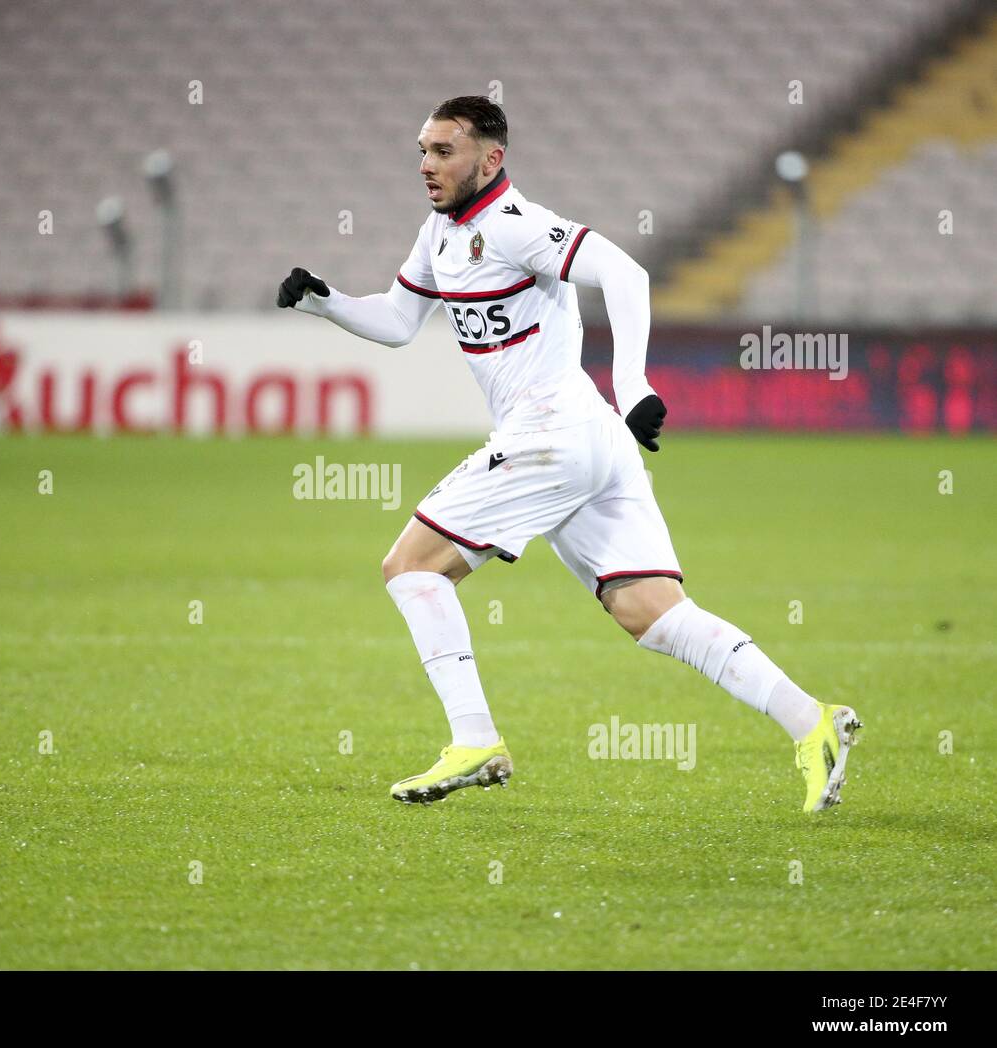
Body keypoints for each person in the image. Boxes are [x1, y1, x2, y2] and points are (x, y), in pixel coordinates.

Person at [277, 95, 861, 811]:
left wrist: (635, 382)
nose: (426, 165)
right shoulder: (440, 233)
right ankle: (813, 722)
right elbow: (399, 321)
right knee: (651, 610)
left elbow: (627, 274)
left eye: (443, 151)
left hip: (551, 434)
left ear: (491, 158)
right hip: (588, 440)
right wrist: (326, 300)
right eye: (423, 151)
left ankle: (474, 740)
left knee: (410, 567)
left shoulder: (517, 226)